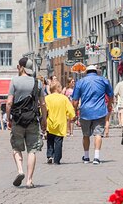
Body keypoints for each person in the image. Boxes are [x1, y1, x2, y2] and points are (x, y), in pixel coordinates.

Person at [6, 57, 47, 188]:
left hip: (18, 120)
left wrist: (8, 118)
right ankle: (29, 180)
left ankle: (20, 170)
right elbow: (43, 103)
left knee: (16, 147)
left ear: (21, 67)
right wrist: (44, 119)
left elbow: (9, 102)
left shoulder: (14, 81)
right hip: (32, 120)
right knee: (32, 150)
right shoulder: (37, 83)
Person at [71, 65, 113, 164]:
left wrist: (75, 111)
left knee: (86, 135)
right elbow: (111, 95)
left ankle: (86, 157)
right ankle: (96, 157)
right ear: (96, 71)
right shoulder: (104, 80)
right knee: (98, 133)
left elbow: (75, 100)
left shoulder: (80, 82)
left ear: (86, 72)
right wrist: (109, 105)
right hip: (100, 111)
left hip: (85, 111)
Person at [45, 81, 75, 165]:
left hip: (50, 122)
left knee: (50, 140)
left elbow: (43, 110)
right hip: (60, 123)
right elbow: (70, 109)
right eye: (60, 87)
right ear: (57, 88)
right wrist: (72, 116)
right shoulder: (64, 98)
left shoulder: (47, 98)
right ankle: (57, 159)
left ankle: (50, 155)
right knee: (58, 142)